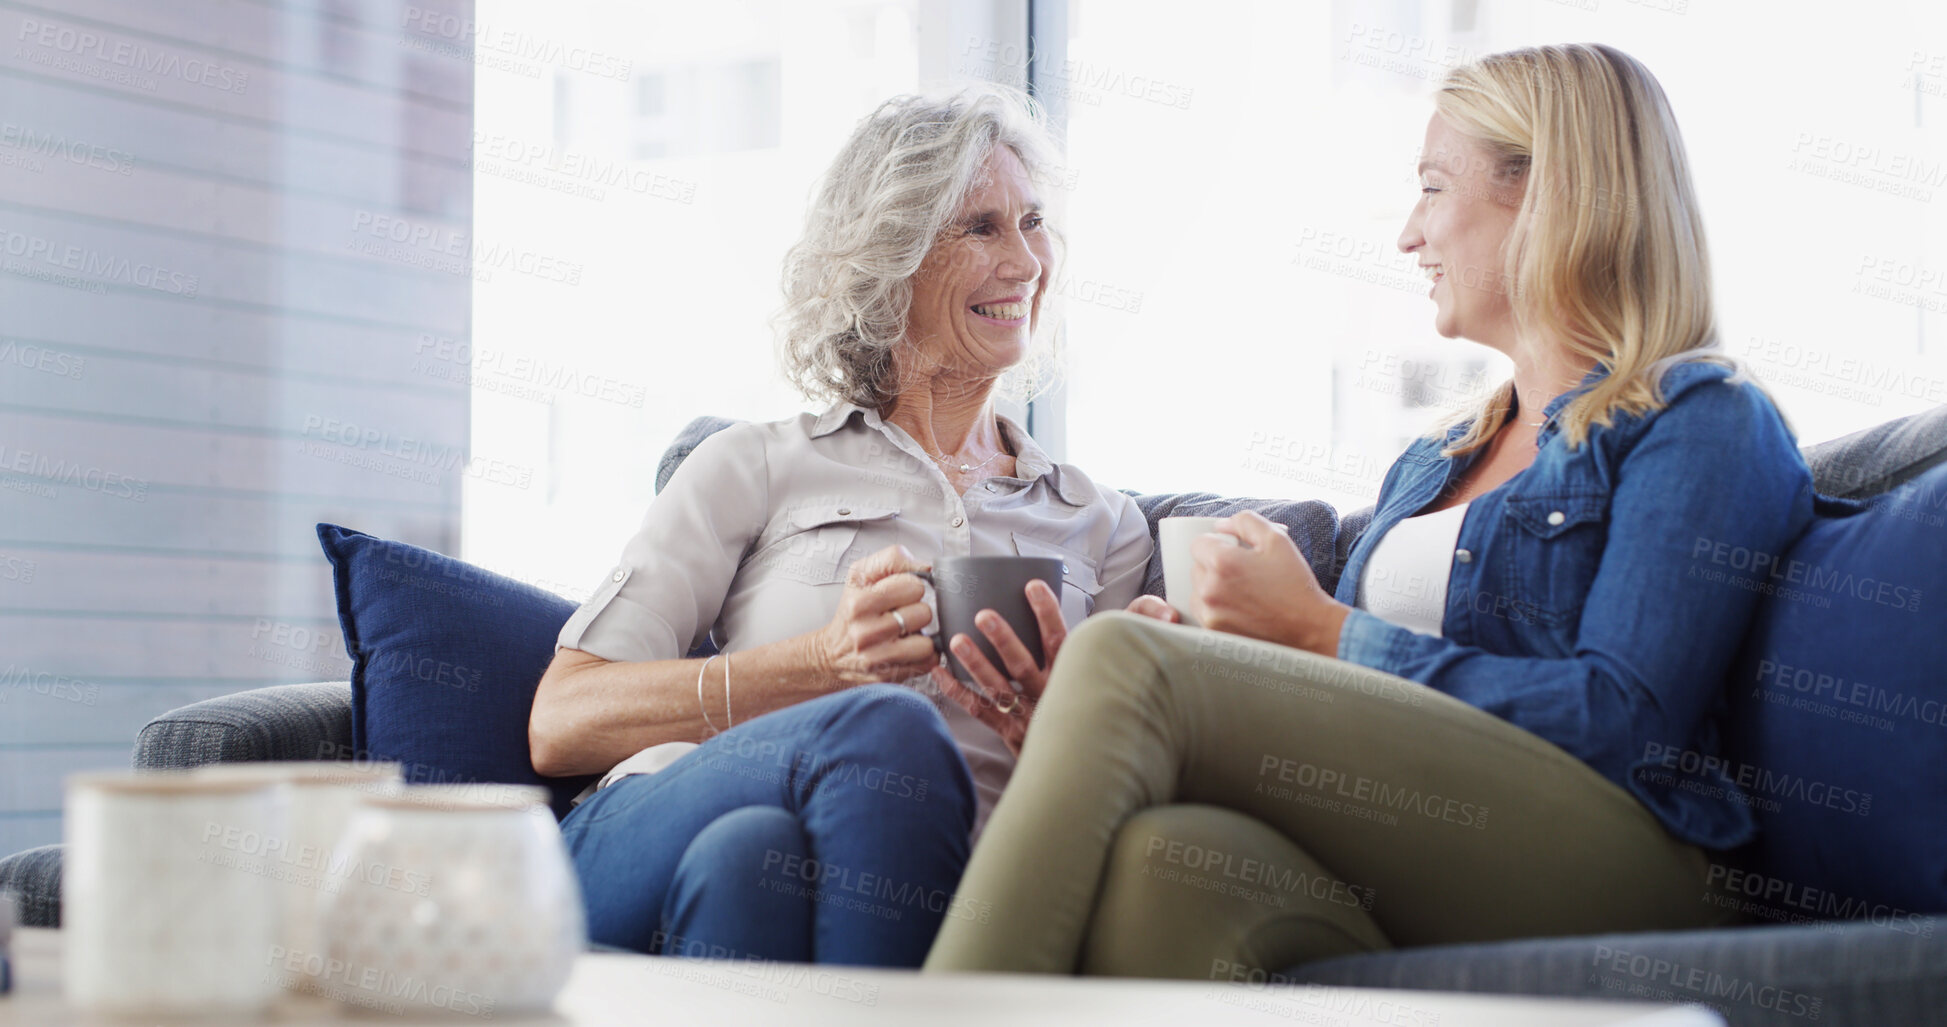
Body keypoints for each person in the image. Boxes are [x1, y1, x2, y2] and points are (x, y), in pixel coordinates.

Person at [925, 43, 1816, 978]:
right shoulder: (1438, 459)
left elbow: (1624, 721)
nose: (1407, 235)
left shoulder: (1700, 418)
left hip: (1631, 857)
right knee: (1165, 867)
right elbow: (1347, 708)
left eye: (1431, 189)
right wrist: (1221, 659)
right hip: (1437, 846)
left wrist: (1318, 630)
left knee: (1119, 657)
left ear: (1548, 193)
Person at [528, 85, 1164, 968]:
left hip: (908, 894)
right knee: (883, 729)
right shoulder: (754, 464)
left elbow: (1121, 802)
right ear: (891, 257)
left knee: (748, 863)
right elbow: (561, 720)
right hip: (646, 828)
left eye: (1032, 223)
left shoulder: (1103, 523)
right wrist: (822, 663)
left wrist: (1060, 736)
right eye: (981, 227)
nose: (1025, 261)